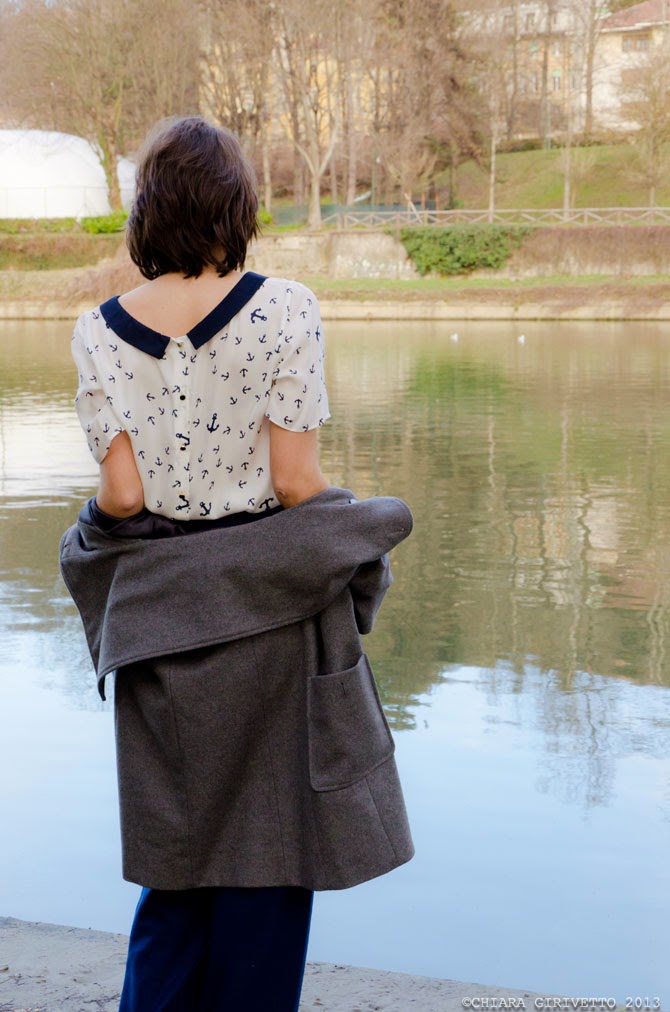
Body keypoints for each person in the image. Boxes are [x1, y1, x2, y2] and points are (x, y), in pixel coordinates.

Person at [61, 116, 414, 1011]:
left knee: (175, 869)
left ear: (148, 209)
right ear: (236, 206)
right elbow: (296, 484)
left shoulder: (98, 330)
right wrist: (352, 544)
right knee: (271, 858)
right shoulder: (285, 308)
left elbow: (122, 500)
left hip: (161, 619)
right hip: (268, 614)